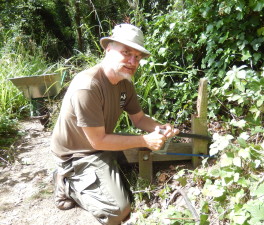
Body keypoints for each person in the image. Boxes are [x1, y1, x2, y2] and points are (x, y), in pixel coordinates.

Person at [50, 23, 179, 225]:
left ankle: (104, 170)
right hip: (77, 154)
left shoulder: (124, 82)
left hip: (99, 142)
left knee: (139, 151)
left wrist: (159, 128)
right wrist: (144, 139)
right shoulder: (88, 86)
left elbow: (139, 119)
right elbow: (98, 141)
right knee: (117, 211)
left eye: (137, 57)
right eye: (126, 53)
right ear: (108, 49)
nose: (132, 61)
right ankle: (65, 181)